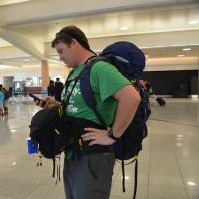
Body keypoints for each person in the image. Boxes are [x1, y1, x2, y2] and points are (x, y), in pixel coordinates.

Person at [36, 26, 140, 199]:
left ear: (74, 43)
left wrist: (112, 135)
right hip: (73, 151)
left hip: (94, 156)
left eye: (61, 51)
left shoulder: (100, 68)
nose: (60, 57)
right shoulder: (75, 72)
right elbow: (81, 105)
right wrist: (55, 105)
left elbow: (131, 98)